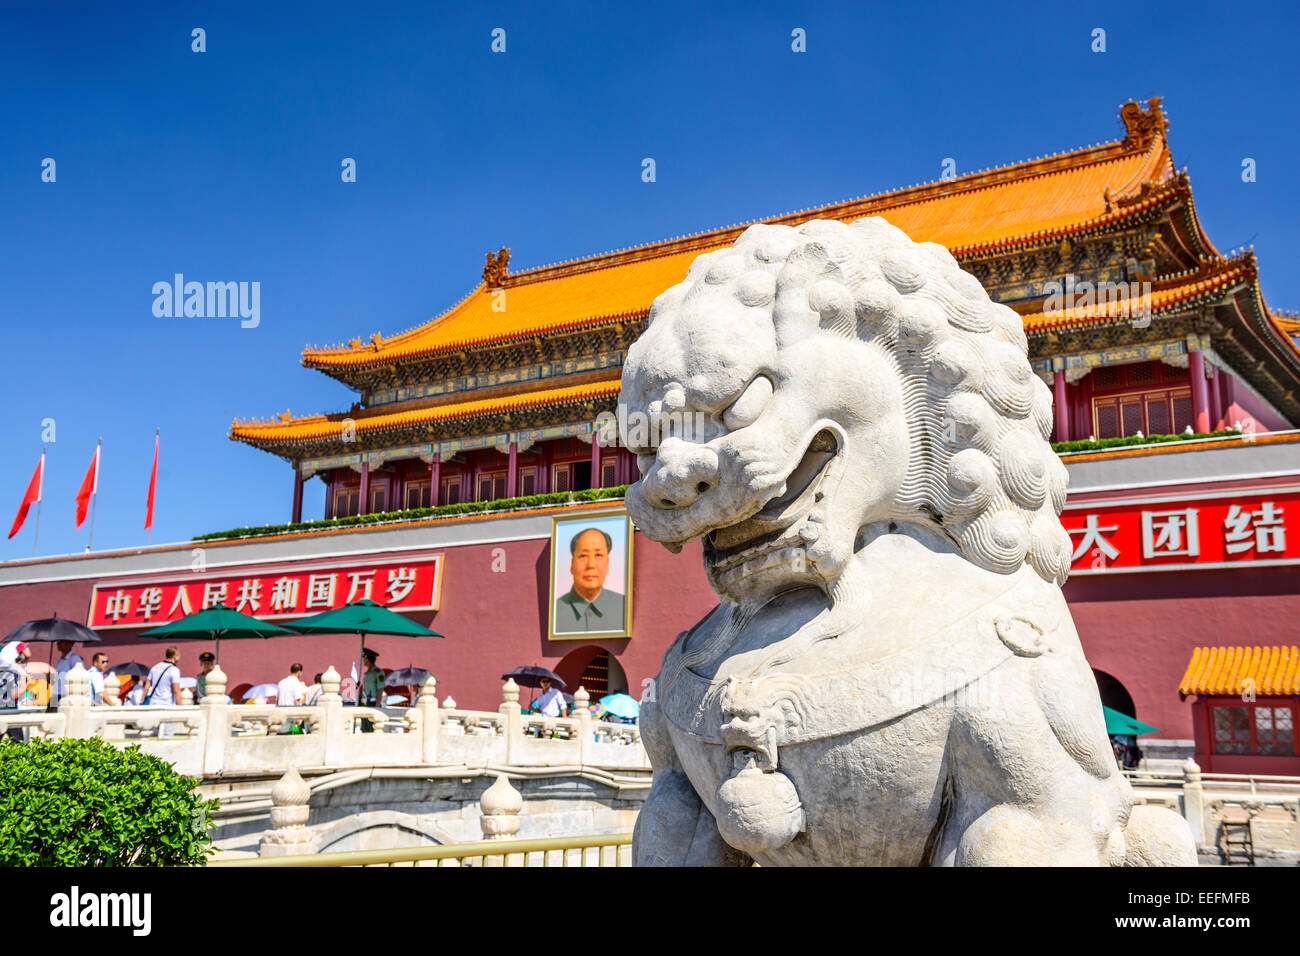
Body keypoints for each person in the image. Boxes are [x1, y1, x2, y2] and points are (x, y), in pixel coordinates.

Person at [554, 528, 625, 634]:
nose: (591, 565)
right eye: (583, 556)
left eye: (598, 555)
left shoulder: (624, 606)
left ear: (607, 563)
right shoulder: (555, 612)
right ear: (572, 564)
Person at [144, 646, 182, 738]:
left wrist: (142, 701)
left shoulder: (154, 668)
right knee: (166, 735)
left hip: (153, 704)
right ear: (175, 656)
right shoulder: (174, 670)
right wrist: (181, 707)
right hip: (167, 705)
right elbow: (176, 690)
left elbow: (147, 687)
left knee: (154, 734)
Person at [0, 642, 30, 740]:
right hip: (8, 707)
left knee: (16, 738)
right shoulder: (19, 643)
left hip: (7, 705)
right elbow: (15, 694)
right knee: (18, 740)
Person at [52, 640, 85, 709]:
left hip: (67, 695)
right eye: (58, 642)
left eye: (61, 642)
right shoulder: (60, 660)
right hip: (56, 693)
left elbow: (80, 676)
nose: (58, 644)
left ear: (69, 643)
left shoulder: (75, 659)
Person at [360, 649, 384, 733]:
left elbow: (380, 690)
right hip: (364, 703)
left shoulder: (378, 672)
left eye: (364, 658)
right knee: (364, 728)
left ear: (368, 659)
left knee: (372, 729)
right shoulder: (367, 673)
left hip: (372, 703)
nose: (363, 660)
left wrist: (377, 706)